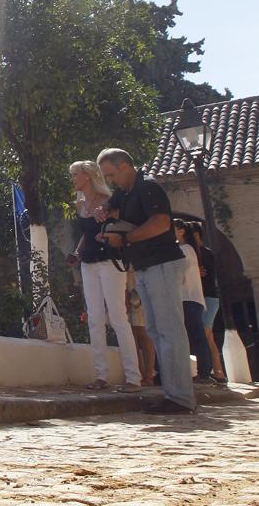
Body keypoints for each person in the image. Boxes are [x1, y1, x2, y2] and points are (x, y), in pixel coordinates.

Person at [96, 148, 195, 414]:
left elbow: (161, 223)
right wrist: (105, 210)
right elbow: (112, 203)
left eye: (112, 174)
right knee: (157, 330)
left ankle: (181, 398)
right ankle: (173, 393)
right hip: (146, 265)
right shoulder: (126, 191)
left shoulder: (148, 187)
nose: (111, 181)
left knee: (169, 330)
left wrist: (125, 238)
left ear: (126, 166)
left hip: (161, 263)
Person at [66, 160, 140, 392]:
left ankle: (133, 378)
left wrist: (108, 233)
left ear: (87, 176)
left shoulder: (108, 201)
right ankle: (101, 375)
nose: (73, 179)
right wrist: (77, 253)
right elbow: (87, 234)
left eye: (75, 174)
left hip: (110, 261)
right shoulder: (79, 204)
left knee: (118, 317)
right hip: (88, 263)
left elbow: (125, 225)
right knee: (95, 319)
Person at [173, 221, 215, 384]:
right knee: (196, 335)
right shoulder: (189, 249)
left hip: (188, 297)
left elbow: (179, 273)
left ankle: (204, 372)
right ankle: (203, 371)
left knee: (196, 336)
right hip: (191, 298)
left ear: (181, 231)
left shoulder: (185, 250)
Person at [187, 223, 227, 381]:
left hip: (208, 298)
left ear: (198, 235)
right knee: (208, 338)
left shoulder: (205, 253)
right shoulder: (195, 253)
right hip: (202, 298)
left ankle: (209, 371)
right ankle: (218, 372)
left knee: (204, 333)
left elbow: (207, 276)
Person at [125, 270, 157, 386]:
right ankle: (138, 374)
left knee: (143, 334)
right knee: (131, 337)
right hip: (124, 283)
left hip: (139, 282)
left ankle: (148, 376)